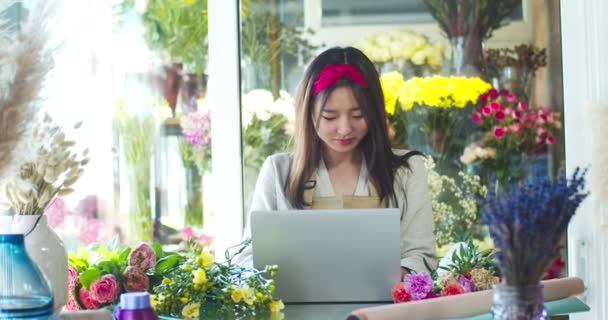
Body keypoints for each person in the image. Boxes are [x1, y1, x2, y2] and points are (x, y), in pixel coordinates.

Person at [241, 46, 436, 276]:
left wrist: (392, 280)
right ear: (307, 113)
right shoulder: (278, 172)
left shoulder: (406, 170)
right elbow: (246, 256)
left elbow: (421, 255)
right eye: (329, 116)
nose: (345, 129)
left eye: (358, 115)